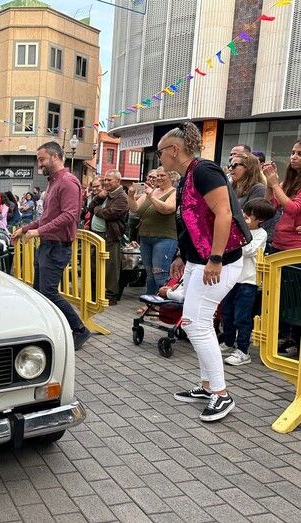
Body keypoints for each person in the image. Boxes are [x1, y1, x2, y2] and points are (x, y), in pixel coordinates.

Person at [164, 123, 245, 422]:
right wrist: (181, 256)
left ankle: (221, 394)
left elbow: (224, 213)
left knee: (195, 324)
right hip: (199, 260)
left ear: (174, 150)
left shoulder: (204, 171)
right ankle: (208, 386)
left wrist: (216, 258)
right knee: (197, 324)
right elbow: (190, 223)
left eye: (160, 152)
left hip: (218, 261)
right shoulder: (188, 176)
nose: (159, 158)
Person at [11, 142, 91, 350]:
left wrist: (38, 231)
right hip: (49, 245)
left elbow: (70, 215)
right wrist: (25, 229)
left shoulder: (67, 182)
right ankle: (46, 329)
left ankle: (79, 329)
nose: (39, 164)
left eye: (42, 159)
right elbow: (46, 218)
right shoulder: (55, 182)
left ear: (55, 157)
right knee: (39, 291)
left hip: (57, 246)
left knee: (48, 292)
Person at [220, 198, 275, 365]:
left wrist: (240, 233)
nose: (244, 218)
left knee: (242, 317)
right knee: (227, 313)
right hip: (232, 278)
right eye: (244, 214)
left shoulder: (261, 234)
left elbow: (248, 250)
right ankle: (228, 341)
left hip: (248, 281)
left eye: (248, 216)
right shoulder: (238, 229)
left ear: (260, 219)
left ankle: (243, 350)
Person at [262, 140, 301, 350]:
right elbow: (270, 206)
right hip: (278, 244)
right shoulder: (290, 181)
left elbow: (293, 208)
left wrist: (276, 184)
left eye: (299, 154)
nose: (294, 157)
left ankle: (293, 339)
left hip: (294, 250)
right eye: (293, 152)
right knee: (278, 296)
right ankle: (281, 336)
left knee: (294, 297)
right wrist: (271, 185)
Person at [127, 168, 178, 296]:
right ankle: (150, 301)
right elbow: (135, 209)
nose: (158, 178)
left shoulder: (174, 192)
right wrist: (131, 196)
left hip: (164, 238)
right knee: (150, 274)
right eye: (157, 175)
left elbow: (167, 209)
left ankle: (162, 302)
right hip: (145, 237)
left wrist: (151, 197)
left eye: (162, 175)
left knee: (160, 274)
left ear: (171, 177)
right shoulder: (151, 191)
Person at [88, 170, 129, 304]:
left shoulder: (121, 197)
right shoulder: (105, 194)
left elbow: (110, 213)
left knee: (110, 267)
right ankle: (94, 294)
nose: (106, 182)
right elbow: (90, 207)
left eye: (109, 180)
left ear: (118, 181)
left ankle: (110, 295)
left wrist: (97, 210)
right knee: (94, 265)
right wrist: (99, 198)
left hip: (110, 236)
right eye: (105, 180)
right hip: (96, 234)